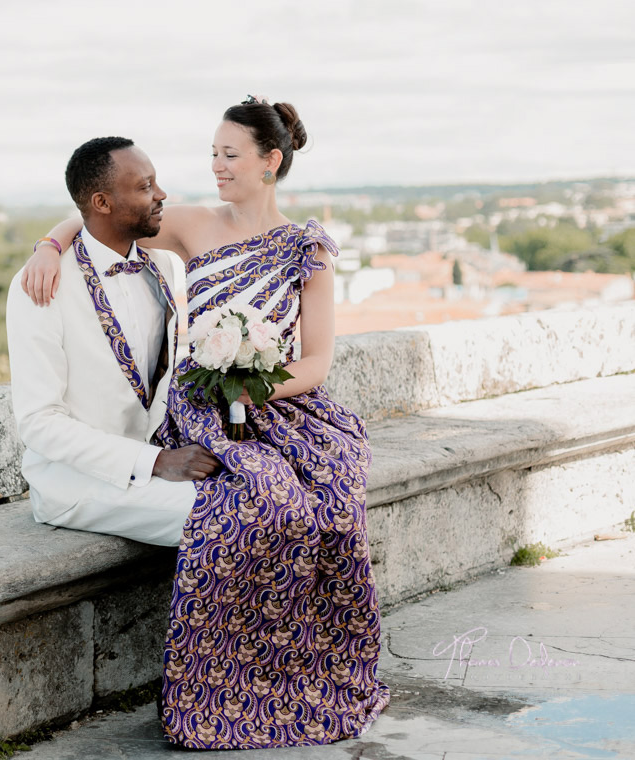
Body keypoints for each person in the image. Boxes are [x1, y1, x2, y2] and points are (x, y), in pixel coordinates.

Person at [20, 97, 390, 750]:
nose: (216, 166)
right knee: (257, 503)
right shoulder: (190, 224)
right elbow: (100, 213)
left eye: (231, 154)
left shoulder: (308, 249)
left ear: (271, 163)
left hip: (279, 405)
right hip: (200, 412)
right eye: (212, 154)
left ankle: (305, 676)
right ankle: (217, 690)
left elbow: (319, 361)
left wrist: (252, 379)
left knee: (327, 505)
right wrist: (51, 244)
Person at [6, 136, 218, 548]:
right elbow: (38, 422)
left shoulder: (163, 267)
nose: (161, 195)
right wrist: (155, 462)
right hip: (75, 482)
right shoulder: (41, 284)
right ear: (102, 203)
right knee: (234, 516)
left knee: (275, 495)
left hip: (160, 460)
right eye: (144, 187)